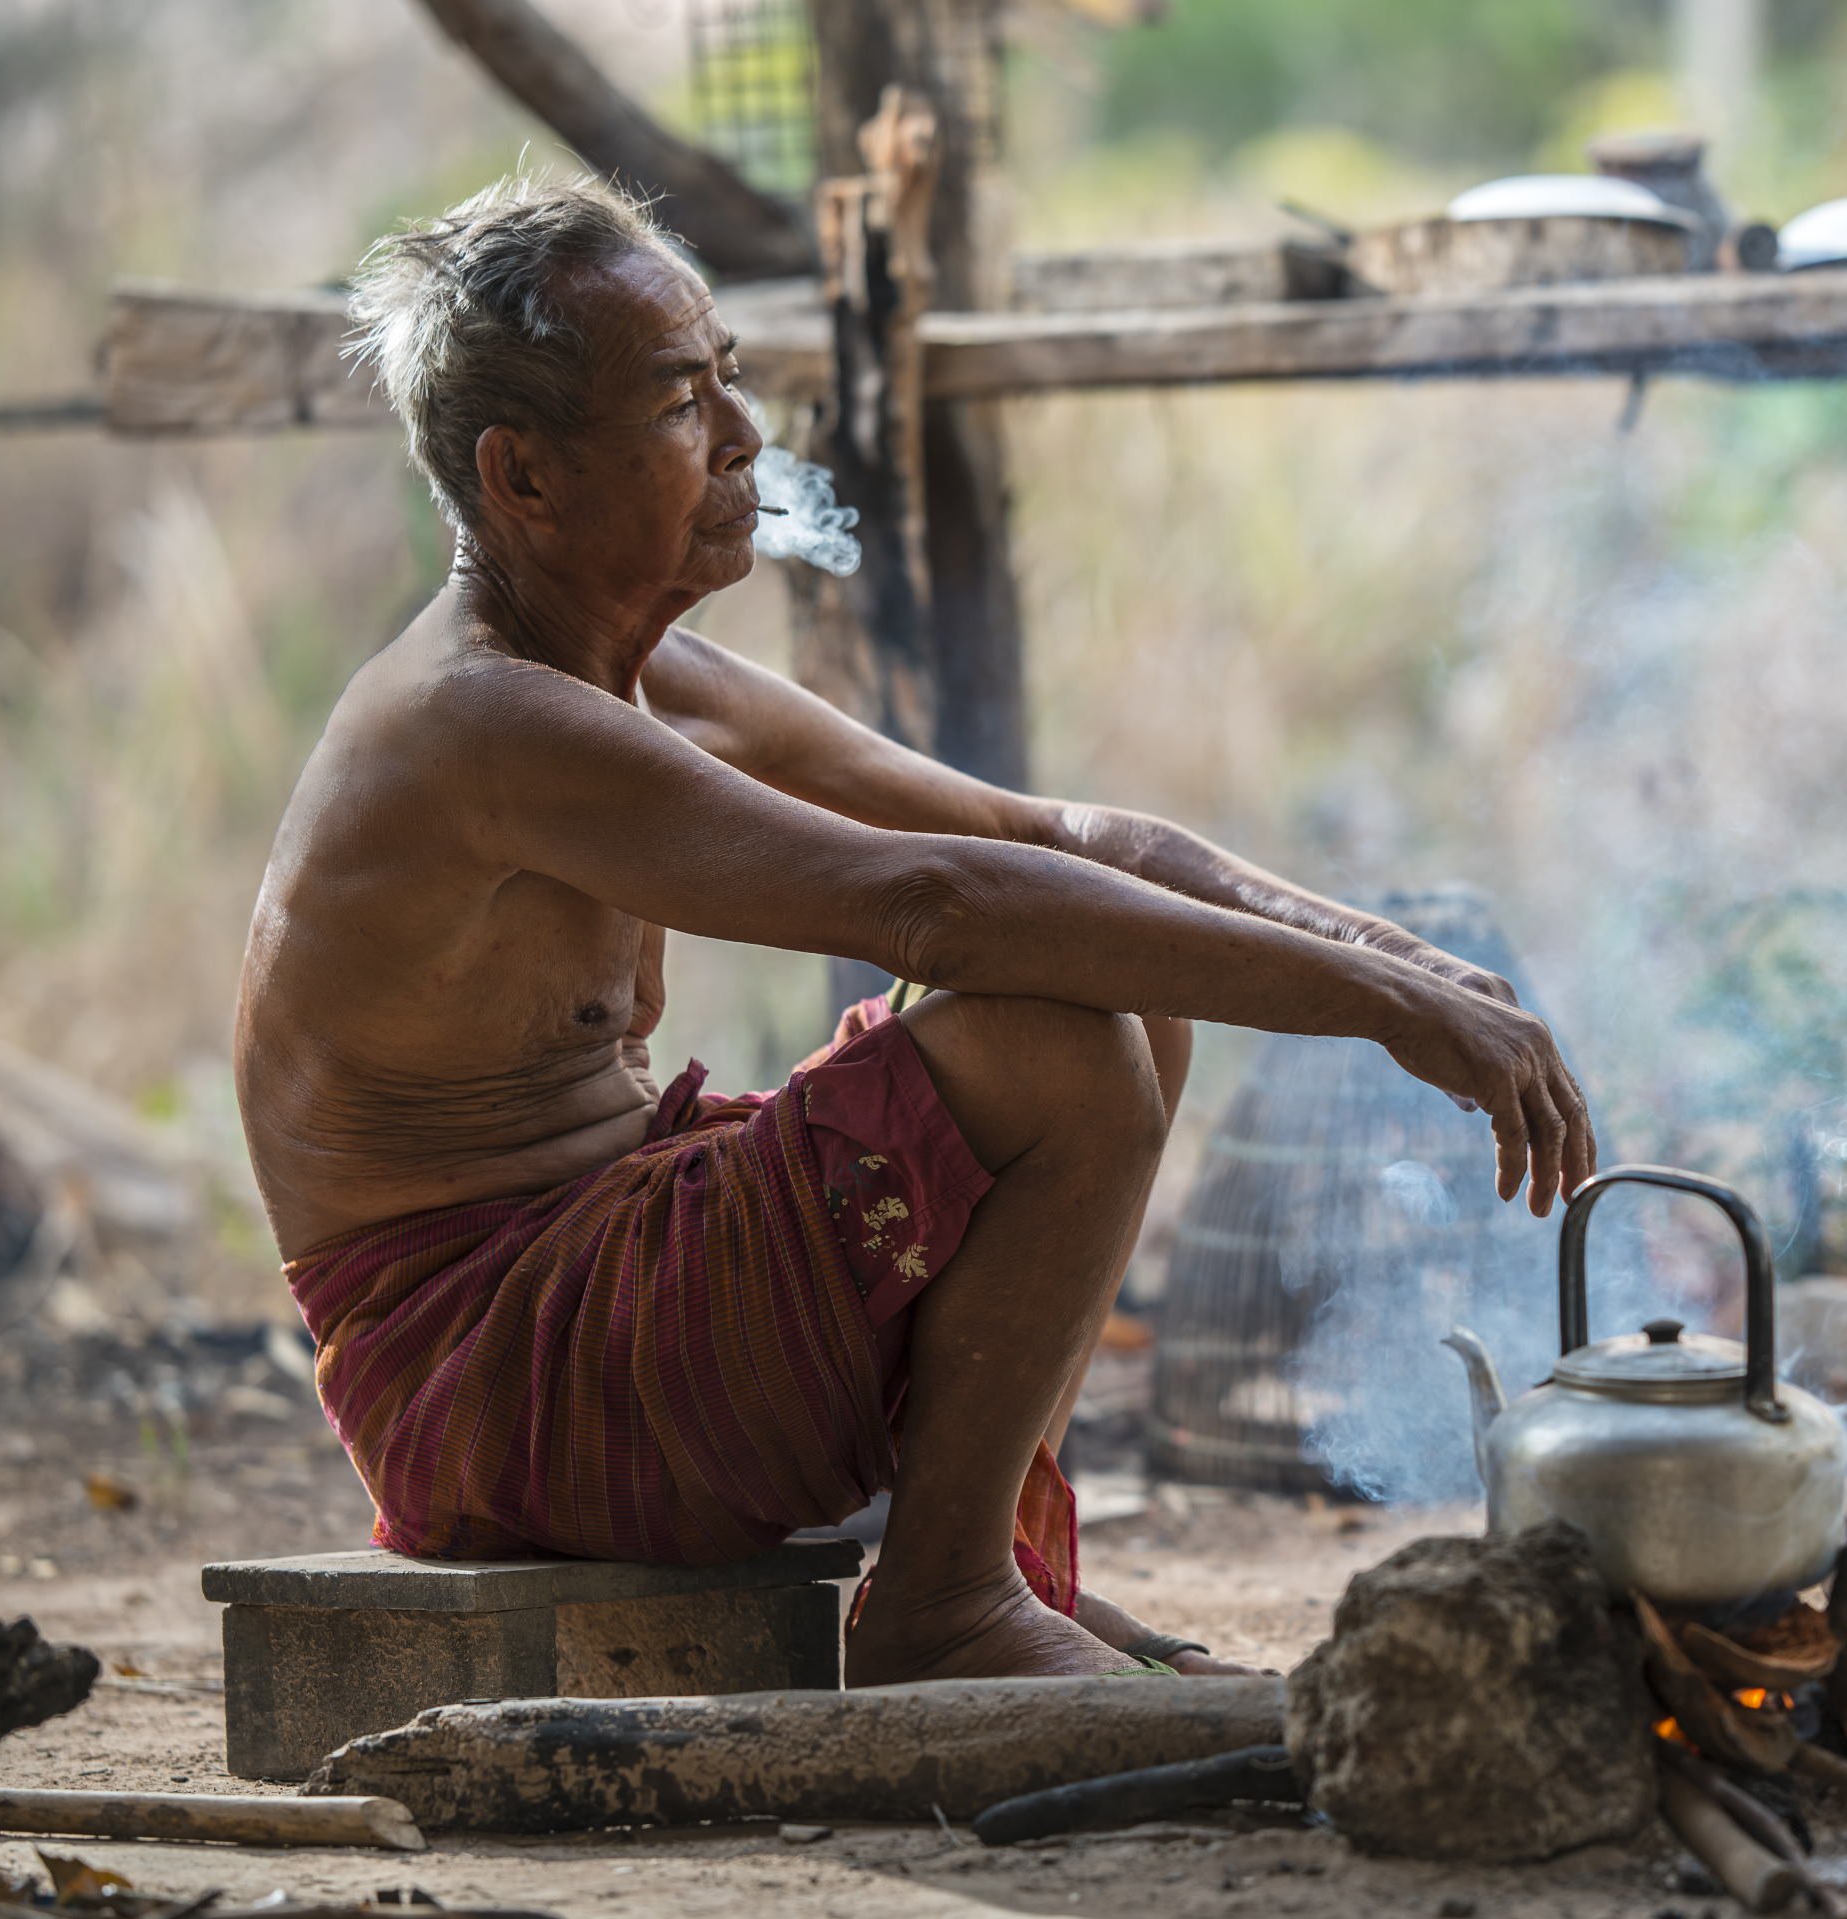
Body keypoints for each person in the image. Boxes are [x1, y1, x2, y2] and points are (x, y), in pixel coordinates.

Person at [232, 171, 1596, 1683]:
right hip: (498, 1380)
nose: (746, 440)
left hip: (602, 1280)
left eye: (730, 383)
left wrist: (1403, 967)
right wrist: (1376, 1015)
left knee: (1128, 994)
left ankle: (994, 1567)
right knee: (1050, 1040)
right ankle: (942, 1600)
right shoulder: (481, 720)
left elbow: (1050, 837)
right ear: (524, 477)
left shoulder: (636, 672)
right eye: (686, 406)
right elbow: (935, 903)